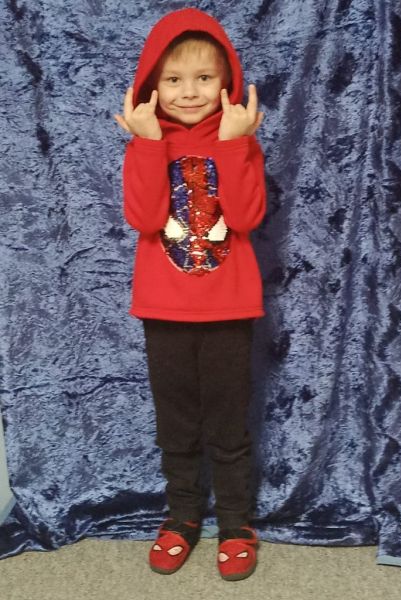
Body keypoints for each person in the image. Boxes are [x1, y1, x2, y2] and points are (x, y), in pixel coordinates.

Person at [114, 7, 266, 581]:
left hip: (229, 307)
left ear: (226, 81)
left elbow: (245, 217)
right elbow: (145, 217)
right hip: (164, 308)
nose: (189, 91)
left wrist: (233, 145)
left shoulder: (240, 140)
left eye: (204, 78)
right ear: (152, 84)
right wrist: (148, 144)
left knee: (228, 423)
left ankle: (235, 523)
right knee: (175, 422)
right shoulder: (145, 142)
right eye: (174, 79)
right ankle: (181, 517)